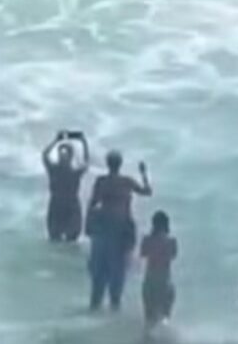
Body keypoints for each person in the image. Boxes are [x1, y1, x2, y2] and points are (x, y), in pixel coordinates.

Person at [86, 151, 152, 312]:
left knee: (99, 272)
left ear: (108, 163)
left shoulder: (101, 181)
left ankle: (96, 307)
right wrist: (144, 173)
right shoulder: (126, 182)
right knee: (118, 271)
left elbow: (92, 204)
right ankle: (114, 308)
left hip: (104, 228)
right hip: (122, 229)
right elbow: (147, 192)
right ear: (119, 164)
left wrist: (88, 225)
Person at [42, 130, 89, 242]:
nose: (63, 157)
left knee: (72, 239)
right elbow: (44, 155)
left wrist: (84, 142)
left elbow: (86, 161)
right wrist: (56, 141)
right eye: (61, 154)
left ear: (70, 157)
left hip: (69, 205)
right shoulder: (55, 170)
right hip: (58, 205)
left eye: (66, 154)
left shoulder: (72, 172)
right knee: (54, 238)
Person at [139, 210, 179, 331]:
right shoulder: (171, 242)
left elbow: (143, 253)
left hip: (149, 281)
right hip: (165, 282)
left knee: (149, 318)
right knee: (165, 318)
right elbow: (173, 255)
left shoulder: (147, 240)